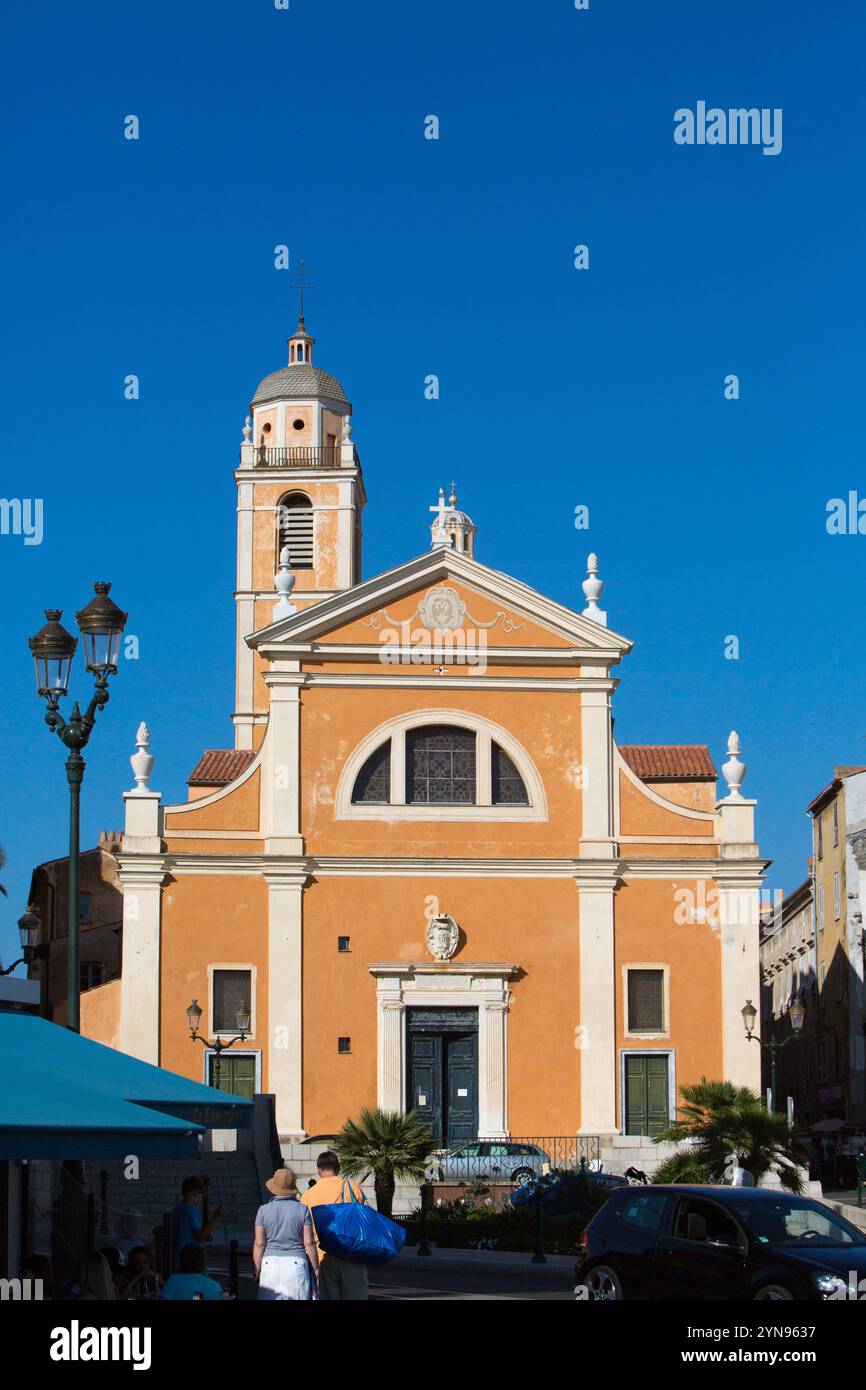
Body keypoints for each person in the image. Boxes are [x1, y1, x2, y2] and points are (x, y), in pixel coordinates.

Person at [300, 1151, 368, 1301]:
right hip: (352, 1255)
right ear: (338, 1168)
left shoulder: (308, 1196)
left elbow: (305, 1233)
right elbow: (366, 1219)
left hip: (324, 1257)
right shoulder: (352, 1187)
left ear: (318, 1170)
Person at [254, 1168, 318, 1300]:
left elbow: (259, 1243)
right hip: (296, 1263)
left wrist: (257, 1269)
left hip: (269, 1263)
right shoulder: (302, 1209)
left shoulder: (263, 1210)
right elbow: (309, 1242)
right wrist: (316, 1269)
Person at [171, 1175, 223, 1271]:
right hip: (191, 1257)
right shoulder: (190, 1209)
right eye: (200, 1193)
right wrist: (215, 1218)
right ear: (191, 1194)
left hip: (179, 1255)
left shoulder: (177, 1208)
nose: (202, 1196)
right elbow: (200, 1237)